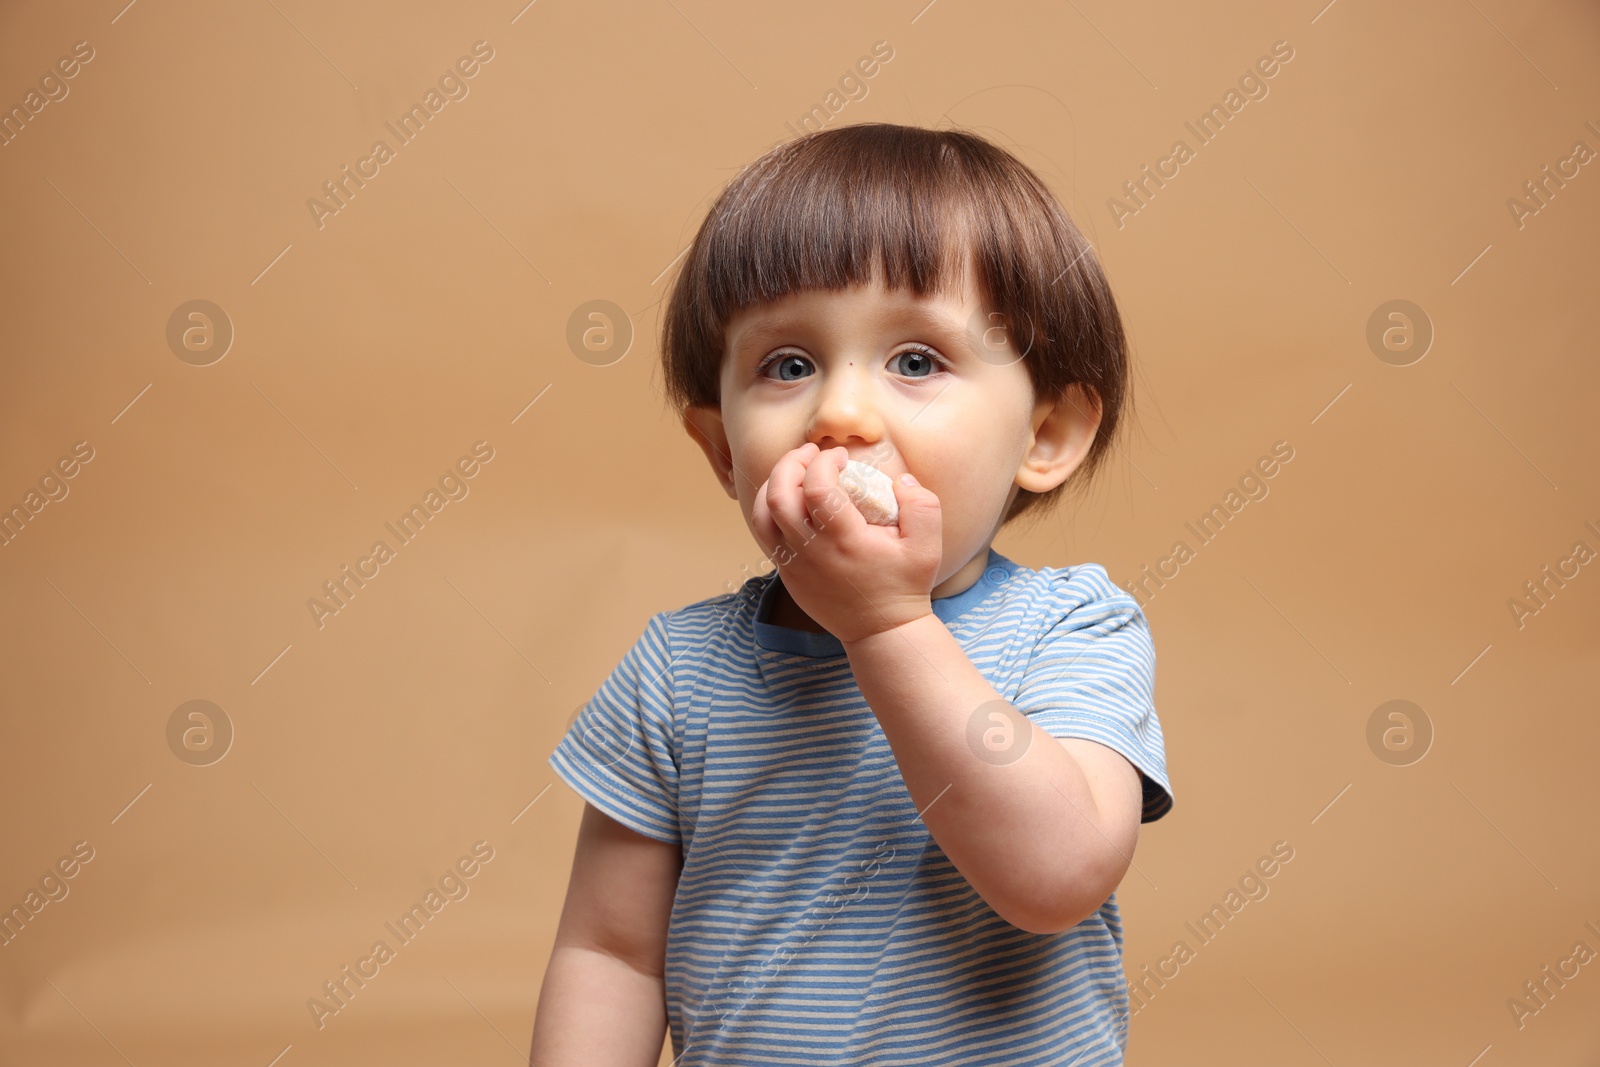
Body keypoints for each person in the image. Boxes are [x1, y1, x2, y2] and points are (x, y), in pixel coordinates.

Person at [531, 122, 1174, 1067]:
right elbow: (611, 953)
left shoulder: (1071, 629)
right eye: (787, 365)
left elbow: (1056, 873)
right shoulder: (680, 672)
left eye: (916, 360)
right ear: (721, 450)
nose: (838, 412)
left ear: (1045, 434)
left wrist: (886, 622)